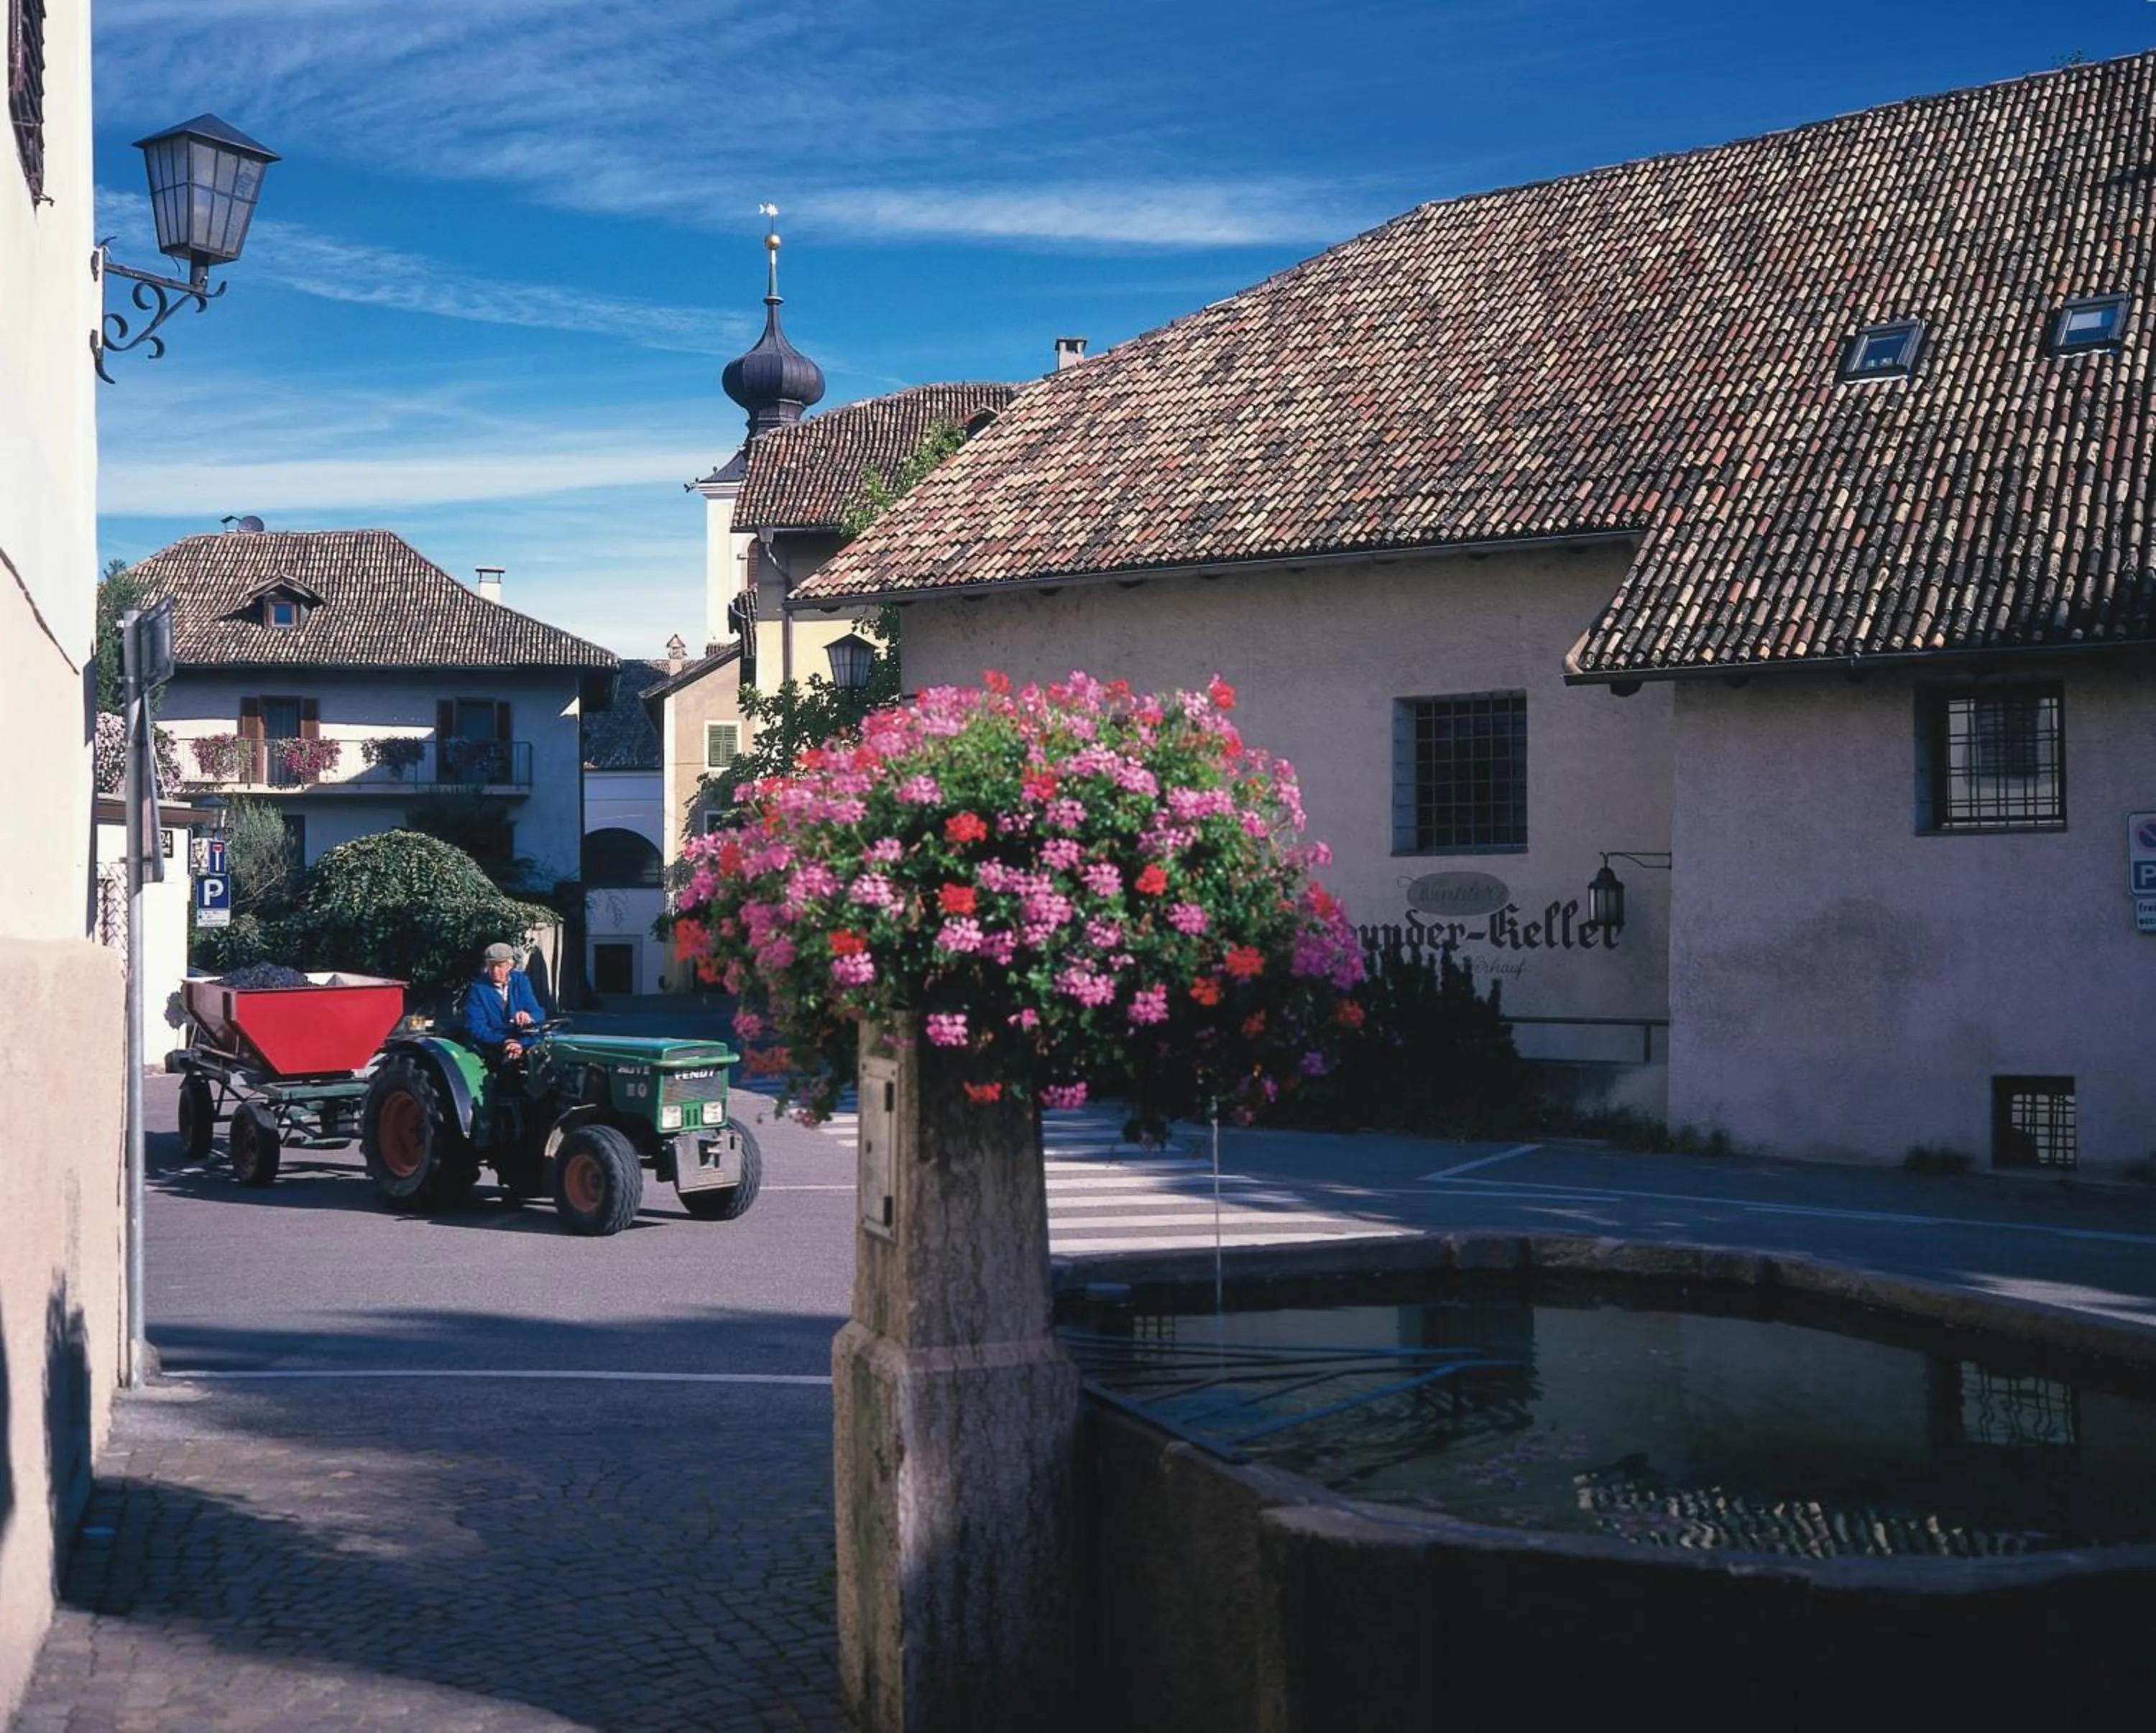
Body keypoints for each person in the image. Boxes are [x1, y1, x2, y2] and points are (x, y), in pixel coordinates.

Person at [462, 941, 545, 1063]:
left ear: (510, 965)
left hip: (523, 1041)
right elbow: (476, 1027)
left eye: (500, 966)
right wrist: (506, 1041)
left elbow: (539, 1013)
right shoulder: (478, 989)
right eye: (491, 966)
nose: (495, 971)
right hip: (494, 1045)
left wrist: (529, 1017)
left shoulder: (521, 981)